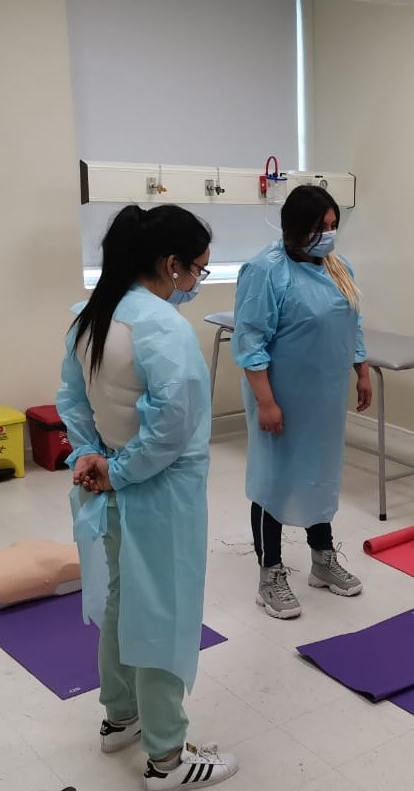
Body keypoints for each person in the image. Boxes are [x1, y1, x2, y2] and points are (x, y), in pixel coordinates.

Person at [57, 205, 238, 790]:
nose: (196, 282)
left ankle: (121, 717)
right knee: (163, 612)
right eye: (198, 271)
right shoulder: (163, 328)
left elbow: (73, 400)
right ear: (171, 264)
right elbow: (171, 428)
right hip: (159, 492)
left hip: (110, 482)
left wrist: (93, 458)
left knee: (121, 600)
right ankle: (167, 758)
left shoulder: (91, 316)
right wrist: (119, 472)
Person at [233, 185, 371, 620]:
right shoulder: (266, 270)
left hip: (325, 396)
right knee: (274, 479)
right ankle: (269, 572)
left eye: (332, 225)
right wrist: (266, 403)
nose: (328, 234)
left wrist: (362, 369)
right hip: (281, 396)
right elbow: (250, 341)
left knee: (320, 475)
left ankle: (322, 558)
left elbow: (352, 322)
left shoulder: (338, 266)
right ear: (294, 227)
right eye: (319, 227)